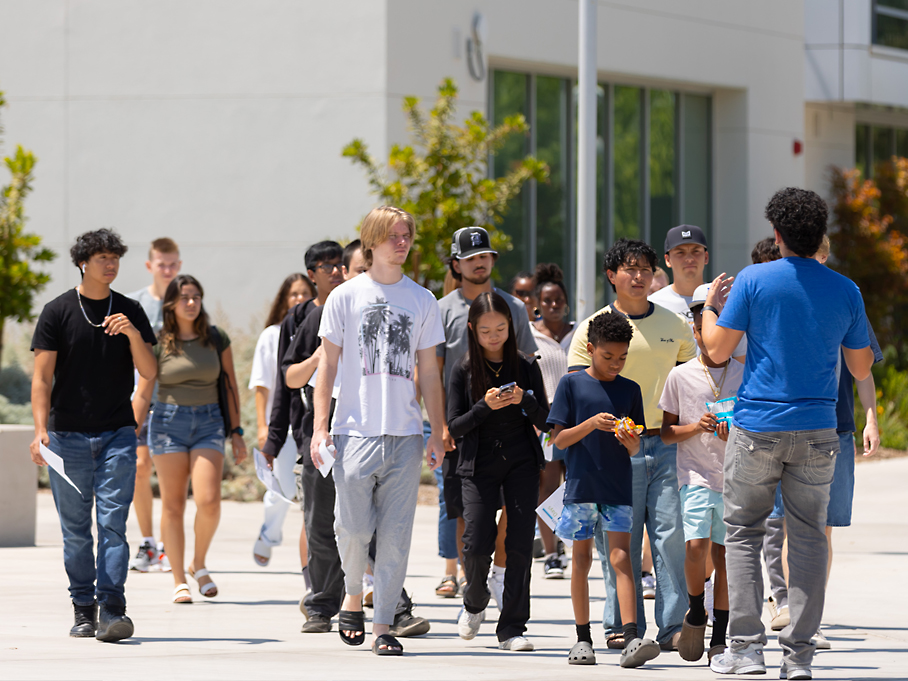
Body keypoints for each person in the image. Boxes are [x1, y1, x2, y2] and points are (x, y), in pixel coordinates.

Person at [701, 187, 874, 680]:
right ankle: (798, 658)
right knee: (809, 539)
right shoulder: (846, 289)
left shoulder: (754, 279)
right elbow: (861, 367)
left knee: (743, 533)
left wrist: (711, 308)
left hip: (758, 426)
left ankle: (746, 650)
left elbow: (716, 351)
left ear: (776, 234)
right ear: (820, 235)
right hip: (819, 430)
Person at [310, 206, 446, 656]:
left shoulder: (422, 300)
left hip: (405, 435)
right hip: (353, 432)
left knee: (395, 536)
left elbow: (430, 373)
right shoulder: (344, 297)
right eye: (393, 236)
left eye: (407, 235)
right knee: (351, 529)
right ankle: (353, 594)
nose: (402, 242)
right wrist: (320, 427)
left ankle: (383, 625)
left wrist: (437, 429)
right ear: (371, 241)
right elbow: (327, 366)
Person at [285, 239, 430, 639]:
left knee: (385, 529)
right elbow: (292, 378)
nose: (341, 274)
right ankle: (325, 603)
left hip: (383, 432)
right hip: (330, 434)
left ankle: (391, 611)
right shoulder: (323, 313)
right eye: (343, 269)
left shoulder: (397, 306)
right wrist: (301, 430)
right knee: (330, 526)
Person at [567, 238, 697, 651]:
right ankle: (623, 626)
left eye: (645, 269)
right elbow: (579, 392)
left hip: (666, 443)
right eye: (629, 268)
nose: (639, 276)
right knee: (618, 542)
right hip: (613, 450)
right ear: (612, 275)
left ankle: (673, 626)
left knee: (671, 535)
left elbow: (691, 383)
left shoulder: (675, 325)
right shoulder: (592, 328)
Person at [30, 228, 157, 641]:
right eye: (102, 257)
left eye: (115, 257)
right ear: (83, 263)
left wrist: (132, 334)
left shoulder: (130, 310)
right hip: (66, 436)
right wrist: (39, 430)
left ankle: (113, 608)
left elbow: (149, 371)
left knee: (113, 524)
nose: (111, 264)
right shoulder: (57, 311)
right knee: (76, 532)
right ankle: (84, 609)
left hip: (117, 433)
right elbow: (41, 378)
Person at [763, 235, 884, 650]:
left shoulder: (845, 298)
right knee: (791, 526)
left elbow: (864, 371)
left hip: (837, 429)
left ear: (825, 254)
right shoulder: (784, 298)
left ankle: (809, 614)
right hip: (791, 427)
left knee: (823, 530)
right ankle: (792, 609)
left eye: (815, 253)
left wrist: (871, 420)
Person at [549, 311, 661, 668]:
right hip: (581, 488)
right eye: (608, 356)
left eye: (622, 357)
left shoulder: (630, 390)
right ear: (590, 349)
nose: (616, 364)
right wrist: (590, 424)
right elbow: (559, 441)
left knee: (622, 559)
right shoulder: (571, 385)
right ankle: (582, 639)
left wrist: (630, 441)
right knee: (581, 561)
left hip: (617, 488)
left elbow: (635, 447)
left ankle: (631, 637)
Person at [436, 227, 539, 606]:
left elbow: (528, 363)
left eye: (484, 256)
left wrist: (529, 413)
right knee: (463, 509)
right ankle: (469, 577)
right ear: (457, 264)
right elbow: (432, 370)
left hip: (512, 431)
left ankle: (498, 573)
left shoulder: (513, 307)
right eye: (470, 258)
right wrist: (440, 425)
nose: (479, 263)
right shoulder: (441, 309)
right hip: (462, 424)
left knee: (513, 510)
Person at [133, 274, 247, 604]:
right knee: (173, 504)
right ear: (171, 303)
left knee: (209, 501)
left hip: (210, 423)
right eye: (184, 297)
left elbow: (230, 384)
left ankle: (198, 563)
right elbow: (144, 390)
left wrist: (237, 431)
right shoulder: (158, 341)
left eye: (196, 296)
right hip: (168, 424)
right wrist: (130, 432)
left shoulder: (216, 338)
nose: (192, 302)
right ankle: (179, 579)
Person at [447, 292, 549, 652]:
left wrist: (525, 400)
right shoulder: (462, 369)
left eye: (501, 329)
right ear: (472, 329)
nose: (494, 337)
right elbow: (454, 426)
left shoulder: (525, 365)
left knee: (520, 544)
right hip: (478, 464)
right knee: (476, 543)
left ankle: (512, 628)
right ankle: (475, 600)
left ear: (511, 327)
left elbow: (547, 419)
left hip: (522, 462)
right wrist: (484, 406)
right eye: (486, 331)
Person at [659, 283, 744, 663]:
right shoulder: (680, 376)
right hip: (694, 476)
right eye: (699, 327)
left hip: (735, 478)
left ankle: (720, 637)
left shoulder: (746, 374)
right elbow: (666, 433)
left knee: (725, 555)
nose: (705, 334)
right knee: (696, 547)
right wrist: (696, 427)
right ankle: (696, 610)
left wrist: (734, 433)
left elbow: (757, 426)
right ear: (695, 331)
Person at [249, 273, 314, 568]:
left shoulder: (320, 328)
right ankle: (269, 534)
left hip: (309, 425)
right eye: (293, 294)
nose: (299, 299)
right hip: (281, 427)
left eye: (304, 293)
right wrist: (263, 427)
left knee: (306, 492)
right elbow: (262, 385)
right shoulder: (271, 335)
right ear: (283, 299)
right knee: (284, 488)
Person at [127, 237, 181, 573]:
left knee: (169, 475)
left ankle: (166, 545)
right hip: (141, 398)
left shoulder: (185, 303)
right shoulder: (135, 304)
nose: (168, 270)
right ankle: (147, 543)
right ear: (150, 266)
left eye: (173, 264)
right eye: (162, 264)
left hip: (174, 401)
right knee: (139, 467)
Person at [529, 262, 574, 578]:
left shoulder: (579, 332)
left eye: (558, 299)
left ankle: (575, 545)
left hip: (579, 421)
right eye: (547, 300)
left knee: (577, 485)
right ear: (537, 304)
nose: (553, 304)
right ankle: (551, 553)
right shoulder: (530, 337)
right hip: (545, 422)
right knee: (548, 485)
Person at [649, 224, 746, 362]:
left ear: (706, 257)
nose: (689, 258)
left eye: (696, 251)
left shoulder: (724, 299)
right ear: (667, 260)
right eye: (680, 252)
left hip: (721, 376)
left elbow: (740, 357)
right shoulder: (654, 303)